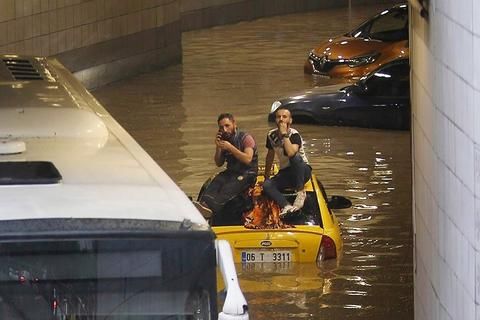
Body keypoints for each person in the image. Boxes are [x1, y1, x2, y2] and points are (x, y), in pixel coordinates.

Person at [194, 113, 258, 218]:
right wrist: (218, 147)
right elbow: (219, 163)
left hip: (247, 173)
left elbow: (248, 159)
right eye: (221, 127)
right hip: (231, 172)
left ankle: (212, 210)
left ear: (234, 124)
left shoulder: (246, 138)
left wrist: (230, 148)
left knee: (228, 188)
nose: (224, 129)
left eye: (227, 126)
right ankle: (203, 205)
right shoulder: (224, 141)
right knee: (216, 182)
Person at [263, 108, 311, 216]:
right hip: (285, 172)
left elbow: (291, 153)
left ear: (290, 120)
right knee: (267, 185)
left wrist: (284, 134)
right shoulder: (271, 135)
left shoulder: (294, 134)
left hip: (302, 171)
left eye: (284, 117)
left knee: (296, 157)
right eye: (278, 117)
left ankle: (300, 192)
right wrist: (266, 176)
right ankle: (286, 206)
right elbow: (270, 156)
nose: (281, 119)